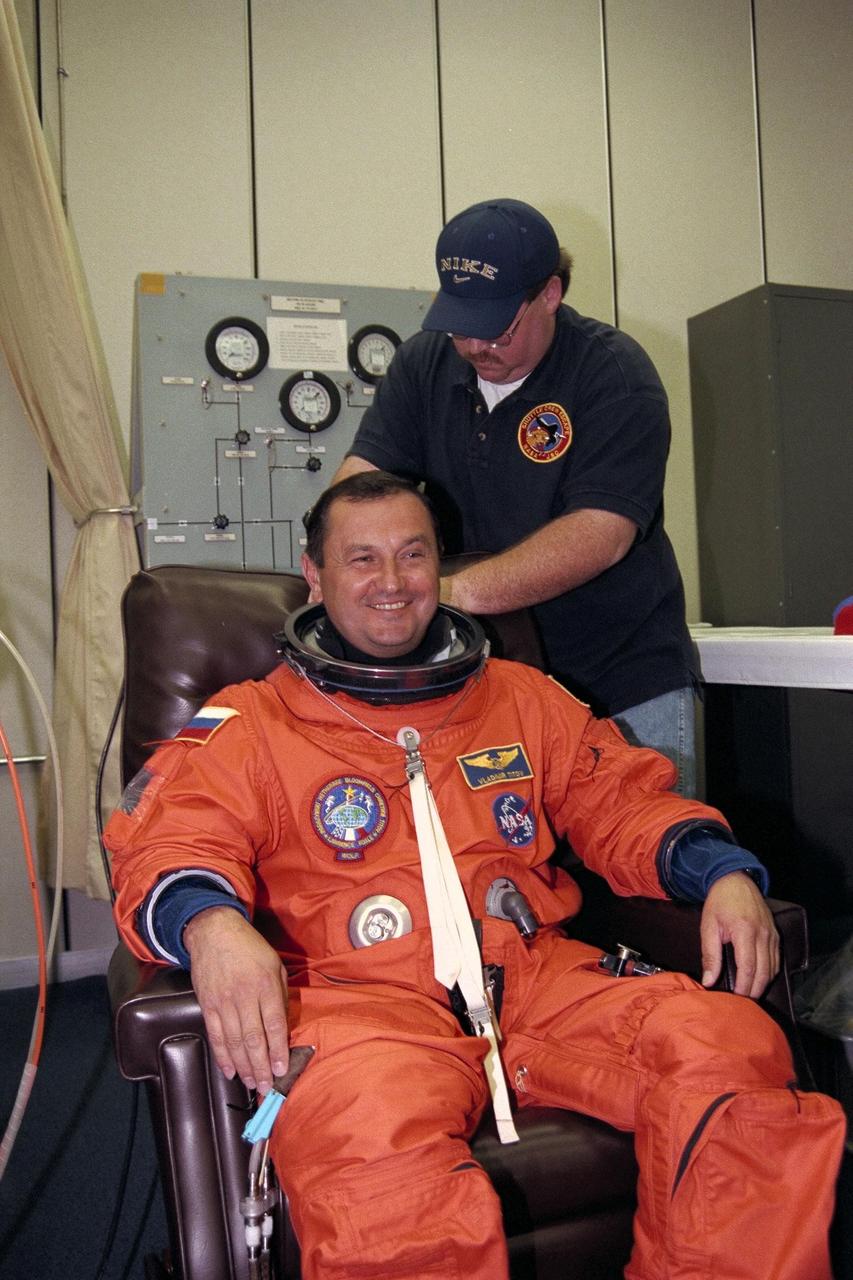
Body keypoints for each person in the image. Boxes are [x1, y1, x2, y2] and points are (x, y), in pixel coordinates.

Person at [105, 473, 844, 1280]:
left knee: (728, 1047)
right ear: (314, 575)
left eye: (412, 555)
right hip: (351, 1002)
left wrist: (722, 873)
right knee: (373, 1146)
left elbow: (620, 799)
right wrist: (210, 925)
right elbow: (167, 839)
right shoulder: (250, 724)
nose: (391, 582)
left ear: (437, 567)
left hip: (532, 978)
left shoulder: (521, 701)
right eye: (362, 559)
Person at [332, 197, 699, 792]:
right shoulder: (423, 364)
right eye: (460, 328)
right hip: (492, 683)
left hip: (622, 683)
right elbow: (363, 481)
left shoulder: (615, 376)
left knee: (647, 861)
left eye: (498, 328)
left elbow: (599, 534)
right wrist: (337, 560)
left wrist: (440, 593)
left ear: (550, 294)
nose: (477, 348)